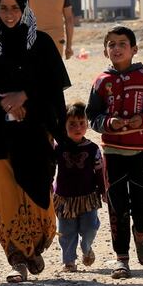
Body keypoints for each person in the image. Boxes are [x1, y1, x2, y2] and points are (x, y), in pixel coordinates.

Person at [0, 0, 68, 283]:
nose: (9, 14)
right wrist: (5, 105)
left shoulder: (42, 45)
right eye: (3, 8)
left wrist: (25, 97)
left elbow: (53, 88)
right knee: (5, 199)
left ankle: (33, 248)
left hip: (33, 136)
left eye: (14, 7)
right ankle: (16, 258)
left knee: (38, 199)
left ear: (24, 8)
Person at [86, 26, 143, 279]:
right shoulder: (101, 81)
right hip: (112, 152)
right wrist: (109, 124)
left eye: (122, 44)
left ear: (134, 49)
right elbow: (92, 115)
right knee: (116, 206)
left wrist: (142, 120)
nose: (117, 48)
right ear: (105, 51)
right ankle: (121, 258)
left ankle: (141, 233)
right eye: (111, 44)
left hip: (141, 151)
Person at [54, 102, 106, 272]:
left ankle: (86, 247)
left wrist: (103, 191)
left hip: (88, 196)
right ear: (64, 125)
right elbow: (48, 168)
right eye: (72, 124)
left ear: (87, 124)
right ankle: (69, 261)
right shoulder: (58, 147)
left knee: (90, 227)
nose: (78, 127)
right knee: (66, 231)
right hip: (64, 197)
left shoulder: (92, 149)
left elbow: (100, 172)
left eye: (82, 123)